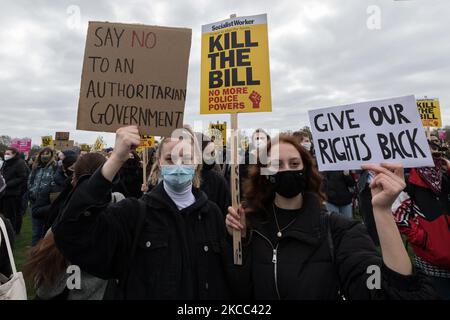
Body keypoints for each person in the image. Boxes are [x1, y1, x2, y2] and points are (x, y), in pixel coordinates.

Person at [225, 134, 436, 299]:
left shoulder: (339, 230)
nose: (286, 170)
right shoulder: (252, 227)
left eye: (294, 164)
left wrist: (382, 212)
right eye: (276, 165)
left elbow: (378, 288)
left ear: (306, 170)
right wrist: (240, 241)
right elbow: (238, 289)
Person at [52, 126, 230, 299]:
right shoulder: (135, 214)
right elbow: (70, 233)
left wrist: (240, 237)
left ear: (197, 161)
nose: (178, 165)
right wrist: (116, 159)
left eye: (186, 158)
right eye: (170, 158)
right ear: (159, 162)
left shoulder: (211, 214)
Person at [23, 153, 122, 300]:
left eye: (75, 174)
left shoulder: (67, 214)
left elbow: (46, 288)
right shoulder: (120, 211)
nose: (71, 180)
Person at [392, 139, 450, 299]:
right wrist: (426, 242)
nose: (435, 160)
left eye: (437, 155)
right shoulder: (407, 183)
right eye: (429, 155)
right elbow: (401, 217)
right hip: (432, 267)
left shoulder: (445, 179)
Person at [31, 150, 78, 241]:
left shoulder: (83, 186)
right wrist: (57, 206)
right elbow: (36, 210)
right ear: (64, 168)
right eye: (72, 169)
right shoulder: (53, 184)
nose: (74, 174)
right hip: (52, 231)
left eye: (78, 169)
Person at [28, 147, 58, 245]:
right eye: (43, 153)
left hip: (46, 203)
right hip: (35, 201)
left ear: (51, 155)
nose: (45, 156)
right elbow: (30, 181)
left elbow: (56, 183)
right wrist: (31, 191)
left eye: (47, 153)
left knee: (46, 230)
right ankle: (34, 251)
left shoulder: (55, 167)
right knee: (36, 230)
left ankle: (43, 252)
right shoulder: (36, 166)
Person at [0, 147, 29, 234]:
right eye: (5, 153)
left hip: (14, 193)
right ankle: (5, 230)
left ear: (14, 154)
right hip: (4, 192)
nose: (6, 155)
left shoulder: (20, 163)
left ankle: (14, 231)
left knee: (13, 214)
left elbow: (22, 177)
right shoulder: (6, 162)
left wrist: (7, 183)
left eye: (8, 154)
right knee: (4, 213)